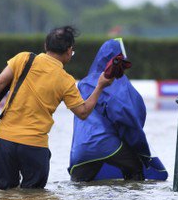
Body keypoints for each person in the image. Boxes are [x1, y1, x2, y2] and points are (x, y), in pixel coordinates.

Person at [0, 26, 114, 189]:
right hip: (34, 146)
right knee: (35, 199)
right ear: (69, 51)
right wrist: (100, 86)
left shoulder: (24, 59)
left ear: (45, 45)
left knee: (3, 193)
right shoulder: (65, 80)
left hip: (5, 141)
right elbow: (83, 112)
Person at [68, 38, 168, 182]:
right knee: (135, 169)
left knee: (78, 185)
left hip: (80, 151)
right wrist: (141, 150)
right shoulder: (118, 84)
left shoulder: (83, 83)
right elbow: (128, 116)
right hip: (108, 146)